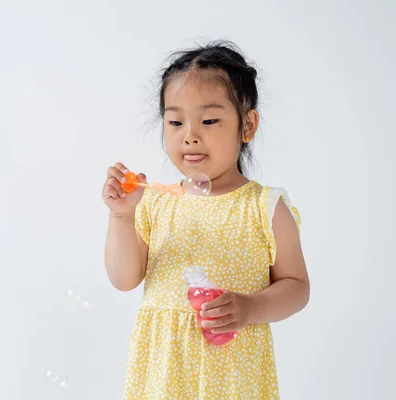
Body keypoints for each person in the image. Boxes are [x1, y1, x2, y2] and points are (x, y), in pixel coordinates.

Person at [102, 41, 310, 399]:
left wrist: (250, 308)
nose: (190, 135)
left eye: (209, 120)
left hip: (233, 377)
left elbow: (297, 287)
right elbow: (124, 279)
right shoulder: (154, 203)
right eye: (175, 121)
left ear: (247, 125)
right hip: (165, 375)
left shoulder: (264, 207)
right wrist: (122, 217)